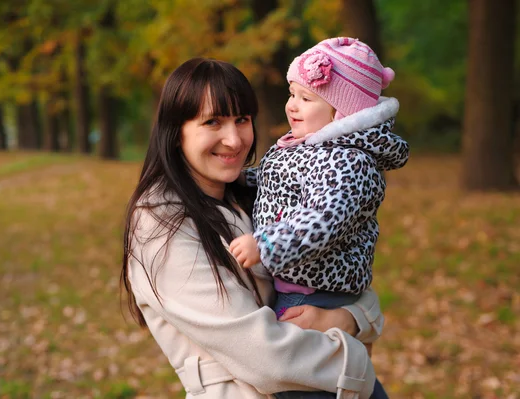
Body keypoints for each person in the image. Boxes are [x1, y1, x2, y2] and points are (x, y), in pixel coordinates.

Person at [121, 57, 385, 399]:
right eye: (212, 122)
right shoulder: (160, 224)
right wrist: (359, 362)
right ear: (175, 133)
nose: (234, 140)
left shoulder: (261, 196)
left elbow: (355, 282)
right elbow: (267, 358)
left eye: (242, 120)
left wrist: (347, 319)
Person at [228, 38, 410, 398]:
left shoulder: (350, 163)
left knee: (305, 382)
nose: (292, 106)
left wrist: (265, 243)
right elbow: (271, 183)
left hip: (317, 291)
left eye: (306, 98)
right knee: (329, 377)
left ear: (342, 113)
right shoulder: (302, 145)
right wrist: (236, 179)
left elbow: (323, 220)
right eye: (292, 93)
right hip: (299, 285)